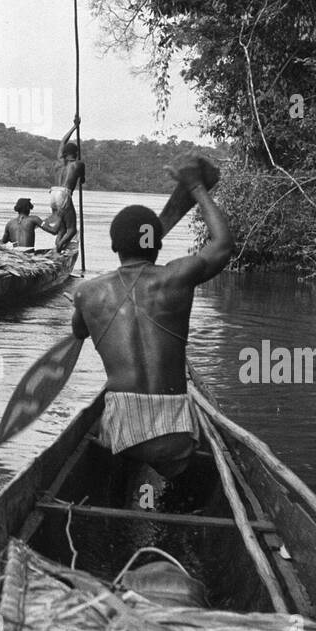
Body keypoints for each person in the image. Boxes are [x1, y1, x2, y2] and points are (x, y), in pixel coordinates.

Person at [70, 153, 233, 487]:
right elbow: (222, 245)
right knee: (188, 471)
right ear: (158, 245)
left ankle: (118, 487)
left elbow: (77, 332)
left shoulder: (87, 293)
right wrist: (197, 186)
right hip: (175, 435)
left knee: (101, 439)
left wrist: (80, 307)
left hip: (121, 437)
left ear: (114, 245)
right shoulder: (176, 278)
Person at [47, 118, 86, 249]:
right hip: (64, 194)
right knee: (72, 230)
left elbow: (63, 141)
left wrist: (74, 127)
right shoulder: (78, 164)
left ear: (64, 153)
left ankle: (58, 247)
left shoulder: (59, 162)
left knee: (62, 230)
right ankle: (58, 249)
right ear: (76, 153)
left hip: (53, 193)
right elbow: (83, 180)